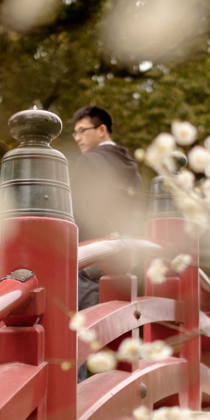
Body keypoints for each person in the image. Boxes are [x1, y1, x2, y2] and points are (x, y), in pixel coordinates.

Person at [68, 104, 143, 311]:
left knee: (86, 332)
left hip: (90, 260)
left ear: (101, 130)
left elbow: (76, 212)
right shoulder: (132, 168)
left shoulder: (89, 161)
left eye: (82, 131)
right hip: (125, 262)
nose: (77, 138)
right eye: (75, 133)